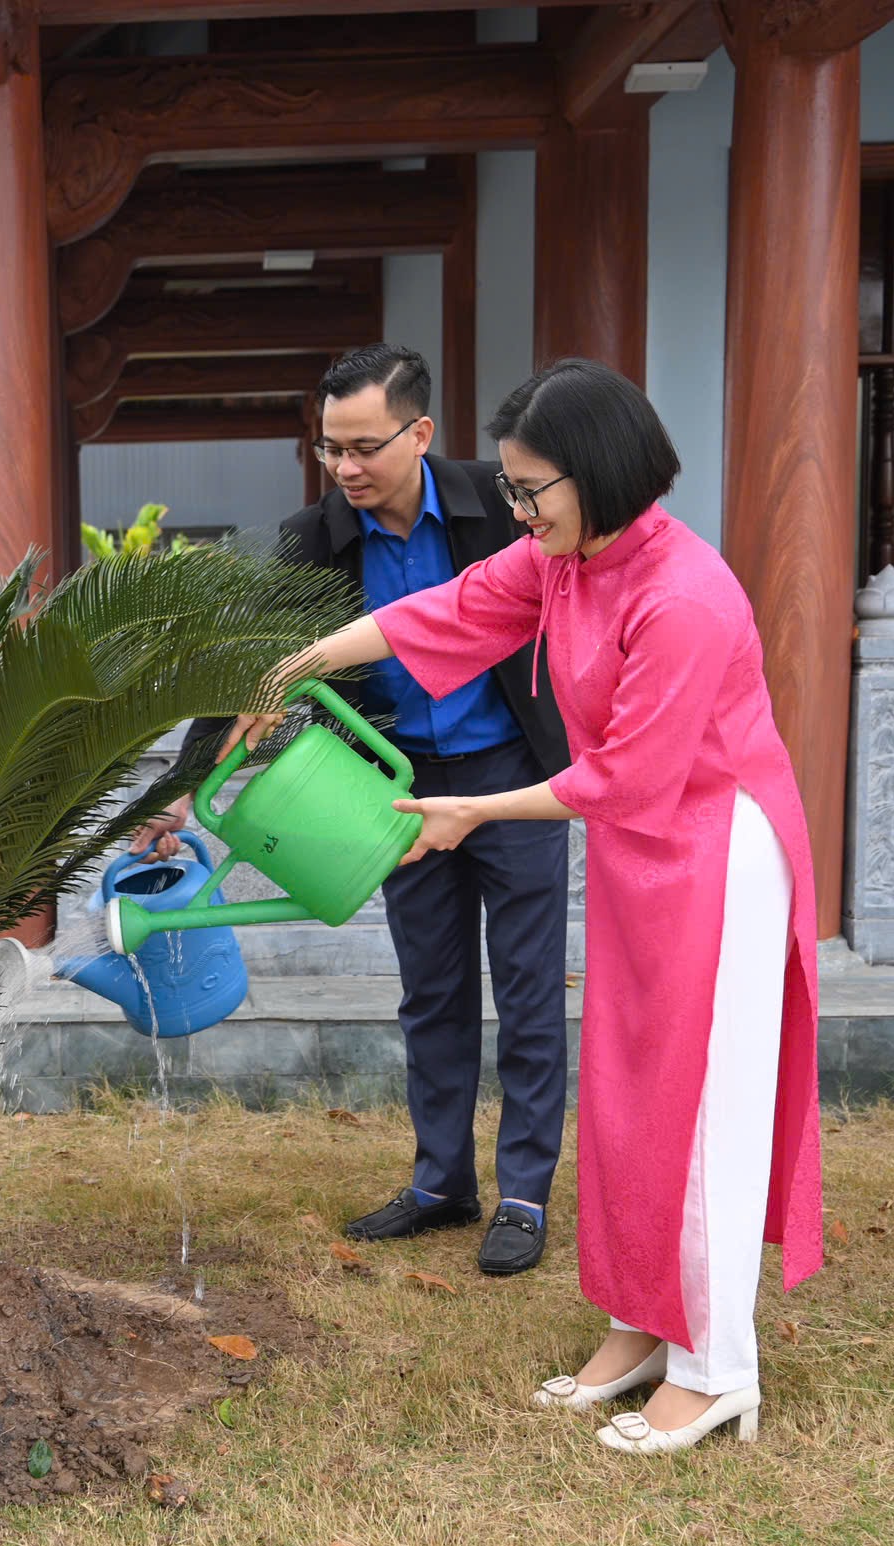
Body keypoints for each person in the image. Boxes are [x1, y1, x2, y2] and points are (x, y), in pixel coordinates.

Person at [224, 358, 824, 1455]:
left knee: (700, 1110)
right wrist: (295, 665)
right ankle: (643, 1324)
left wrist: (469, 812)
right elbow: (443, 611)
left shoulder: (684, 596)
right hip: (643, 852)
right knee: (628, 1097)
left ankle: (715, 1369)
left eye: (530, 488)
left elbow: (626, 774)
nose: (515, 508)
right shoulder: (563, 561)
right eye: (508, 486)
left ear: (596, 474)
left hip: (719, 858)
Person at [135, 343, 572, 1277]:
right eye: (330, 447)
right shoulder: (313, 539)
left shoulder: (502, 503)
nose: (345, 467)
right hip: (391, 790)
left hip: (510, 778)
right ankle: (441, 1184)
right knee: (433, 992)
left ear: (419, 432)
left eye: (364, 446)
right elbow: (255, 666)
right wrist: (181, 789)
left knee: (529, 990)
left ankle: (525, 1194)